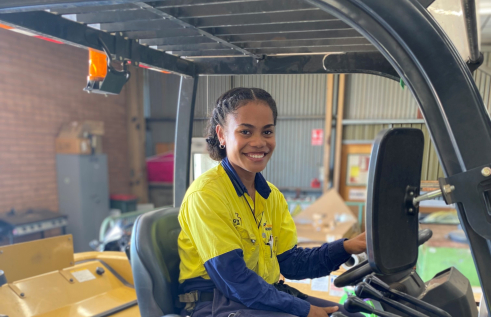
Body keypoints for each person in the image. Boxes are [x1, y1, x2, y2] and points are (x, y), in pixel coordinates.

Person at [177, 87, 366, 317]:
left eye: (267, 132)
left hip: (259, 294)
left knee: (351, 314)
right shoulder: (206, 195)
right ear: (222, 135)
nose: (259, 142)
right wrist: (303, 309)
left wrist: (347, 247)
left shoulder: (271, 196)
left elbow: (291, 264)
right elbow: (234, 281)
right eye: (245, 132)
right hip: (215, 301)